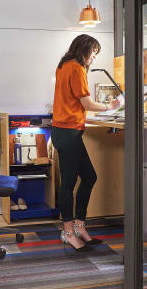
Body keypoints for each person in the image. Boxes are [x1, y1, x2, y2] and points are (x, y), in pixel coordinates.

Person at [51, 34, 121, 252]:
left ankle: (79, 225)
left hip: (64, 131)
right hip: (68, 132)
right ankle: (68, 232)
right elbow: (87, 103)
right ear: (84, 49)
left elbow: (74, 102)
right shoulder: (77, 68)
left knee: (89, 177)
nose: (93, 58)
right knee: (69, 184)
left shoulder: (63, 66)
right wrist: (111, 106)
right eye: (93, 53)